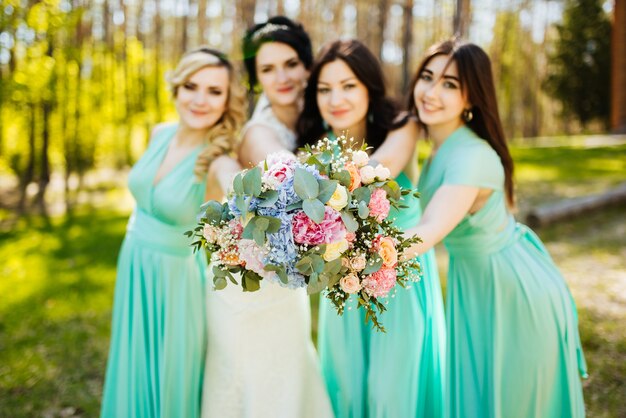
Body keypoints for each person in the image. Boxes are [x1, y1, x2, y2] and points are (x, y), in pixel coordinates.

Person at [402, 39, 587, 417]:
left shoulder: (472, 156)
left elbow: (431, 227)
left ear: (471, 99)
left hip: (510, 291)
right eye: (427, 77)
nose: (432, 91)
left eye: (450, 84)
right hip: (477, 283)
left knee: (514, 403)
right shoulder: (440, 145)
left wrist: (356, 254)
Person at [296, 39, 446, 418]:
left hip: (400, 279)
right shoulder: (318, 148)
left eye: (348, 86)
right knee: (344, 384)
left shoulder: (403, 127)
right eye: (324, 89)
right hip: (344, 282)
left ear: (369, 87)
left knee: (391, 391)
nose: (336, 99)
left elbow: (375, 173)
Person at [100, 48, 246, 418]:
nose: (199, 100)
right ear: (176, 89)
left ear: (228, 100)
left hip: (176, 281)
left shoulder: (219, 157)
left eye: (214, 91)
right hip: (134, 265)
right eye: (191, 86)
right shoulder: (160, 133)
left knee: (170, 376)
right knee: (133, 361)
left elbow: (237, 186)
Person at [200, 16, 334, 418]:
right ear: (256, 78)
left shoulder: (320, 122)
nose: (283, 77)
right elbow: (291, 177)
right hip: (245, 288)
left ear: (308, 66)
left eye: (291, 63)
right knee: (251, 386)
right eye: (268, 69)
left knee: (287, 383)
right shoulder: (258, 131)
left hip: (283, 279)